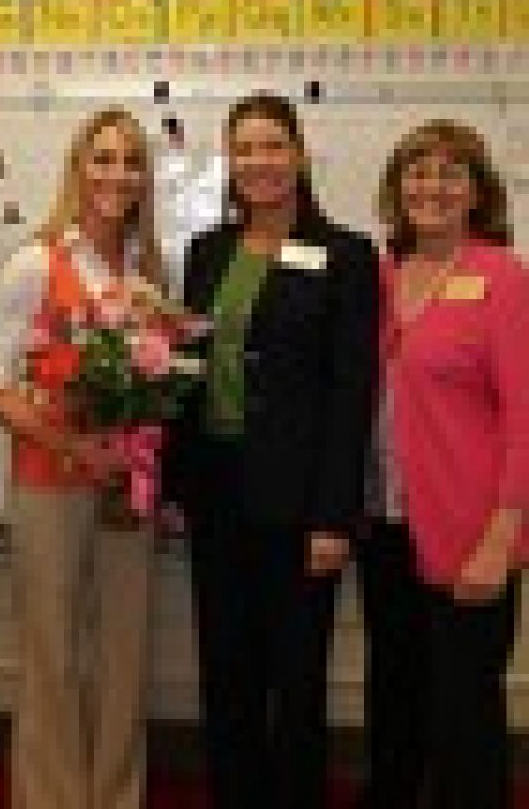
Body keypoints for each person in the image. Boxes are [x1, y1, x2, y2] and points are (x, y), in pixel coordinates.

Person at [164, 91, 378, 809]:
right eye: (245, 149)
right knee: (225, 675)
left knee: (297, 679)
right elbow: (189, 374)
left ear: (299, 154)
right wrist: (171, 485)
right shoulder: (207, 252)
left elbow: (353, 393)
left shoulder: (347, 256)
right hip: (216, 497)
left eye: (272, 146)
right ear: (230, 160)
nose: (259, 162)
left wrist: (333, 516)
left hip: (300, 506)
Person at [0, 107, 167, 809]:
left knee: (123, 657)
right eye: (103, 158)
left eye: (131, 161)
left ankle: (116, 795)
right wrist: (72, 444)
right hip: (48, 484)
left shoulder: (148, 269)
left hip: (127, 494)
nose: (117, 174)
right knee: (51, 658)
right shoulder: (35, 261)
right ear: (78, 168)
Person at [358, 119, 529, 809]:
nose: (431, 187)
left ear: (476, 192)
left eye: (450, 174)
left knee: (465, 724)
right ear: (398, 187)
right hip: (387, 526)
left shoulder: (503, 280)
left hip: (470, 535)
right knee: (394, 707)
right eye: (418, 172)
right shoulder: (381, 273)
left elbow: (526, 417)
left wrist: (502, 538)